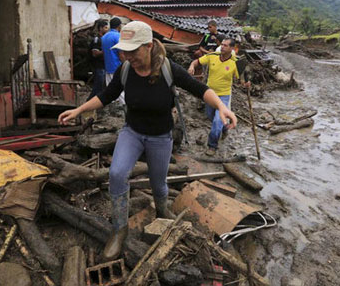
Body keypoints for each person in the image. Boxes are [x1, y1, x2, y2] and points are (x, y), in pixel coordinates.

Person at [58, 21, 237, 260]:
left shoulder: (168, 69)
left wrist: (222, 108)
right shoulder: (125, 70)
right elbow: (106, 96)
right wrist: (79, 110)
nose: (127, 56)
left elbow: (199, 88)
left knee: (158, 183)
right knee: (116, 174)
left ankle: (162, 212)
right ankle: (120, 229)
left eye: (132, 51)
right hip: (132, 133)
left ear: (149, 46)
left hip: (161, 137)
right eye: (124, 51)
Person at [188, 37, 250, 156]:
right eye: (222, 44)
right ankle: (225, 128)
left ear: (232, 48)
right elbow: (197, 62)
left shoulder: (235, 62)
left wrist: (246, 84)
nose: (222, 47)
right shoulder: (212, 56)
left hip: (224, 96)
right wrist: (192, 66)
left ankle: (212, 146)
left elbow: (241, 81)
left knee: (217, 121)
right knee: (211, 117)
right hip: (210, 94)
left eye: (226, 45)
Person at [102, 17, 124, 104]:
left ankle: (113, 109)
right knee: (121, 90)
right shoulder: (118, 36)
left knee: (111, 90)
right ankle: (124, 108)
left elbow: (104, 52)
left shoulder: (104, 37)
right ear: (119, 26)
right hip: (117, 66)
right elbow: (121, 53)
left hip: (108, 66)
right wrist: (125, 64)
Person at [87, 19, 109, 101]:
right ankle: (89, 103)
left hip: (103, 66)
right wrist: (106, 51)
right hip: (98, 66)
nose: (107, 30)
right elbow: (95, 53)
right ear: (101, 28)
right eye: (106, 28)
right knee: (98, 86)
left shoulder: (104, 38)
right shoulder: (97, 39)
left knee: (101, 86)